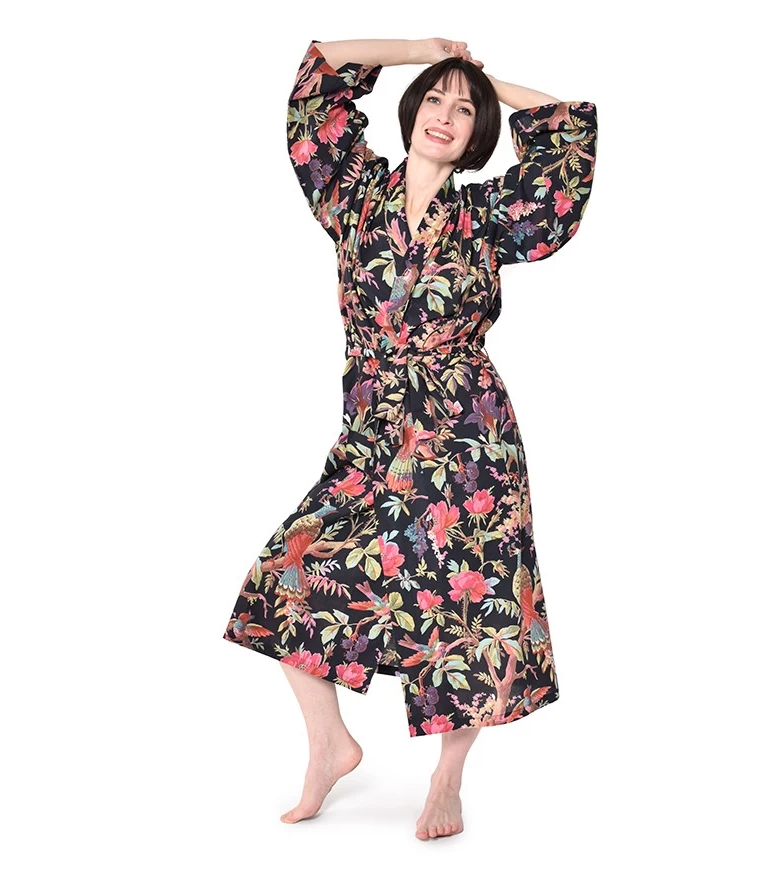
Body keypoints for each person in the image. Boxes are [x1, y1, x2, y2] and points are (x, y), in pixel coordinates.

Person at [222, 37, 597, 839]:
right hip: (372, 431)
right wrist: (427, 53)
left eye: (464, 112)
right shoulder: (353, 193)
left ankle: (448, 782)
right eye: (434, 99)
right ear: (412, 107)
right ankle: (330, 746)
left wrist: (483, 84)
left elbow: (566, 136)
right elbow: (318, 84)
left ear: (477, 133)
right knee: (287, 574)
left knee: (468, 610)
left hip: (469, 438)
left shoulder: (488, 218)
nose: (445, 116)